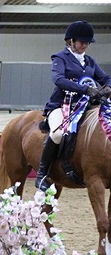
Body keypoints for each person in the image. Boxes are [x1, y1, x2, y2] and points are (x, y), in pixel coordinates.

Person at [36, 20, 111, 191]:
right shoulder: (60, 58)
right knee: (57, 134)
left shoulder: (89, 61)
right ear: (70, 41)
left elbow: (106, 78)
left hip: (86, 107)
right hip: (61, 106)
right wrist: (85, 89)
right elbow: (59, 80)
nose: (84, 45)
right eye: (81, 41)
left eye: (87, 42)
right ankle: (42, 174)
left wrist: (108, 87)